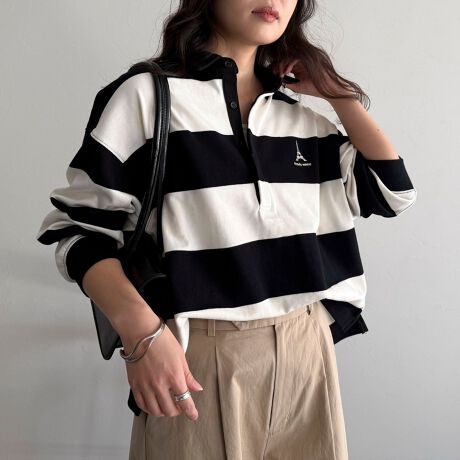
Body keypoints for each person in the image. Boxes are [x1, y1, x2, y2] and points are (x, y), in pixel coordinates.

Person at [36, 0, 417, 458]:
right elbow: (78, 233)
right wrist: (141, 334)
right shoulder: (147, 97)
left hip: (307, 353)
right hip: (197, 358)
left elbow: (393, 192)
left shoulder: (301, 118)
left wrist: (338, 94)